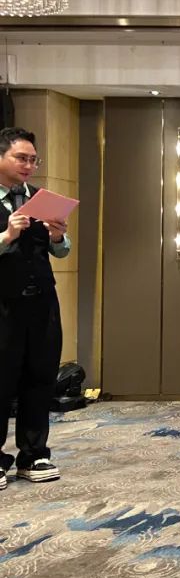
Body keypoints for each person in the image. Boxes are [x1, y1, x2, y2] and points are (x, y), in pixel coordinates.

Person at [0, 127, 71, 490]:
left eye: (33, 159)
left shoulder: (40, 199)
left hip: (42, 302)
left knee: (40, 377)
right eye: (21, 158)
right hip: (3, 304)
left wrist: (57, 235)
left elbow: (62, 251)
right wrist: (7, 235)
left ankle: (33, 454)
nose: (28, 165)